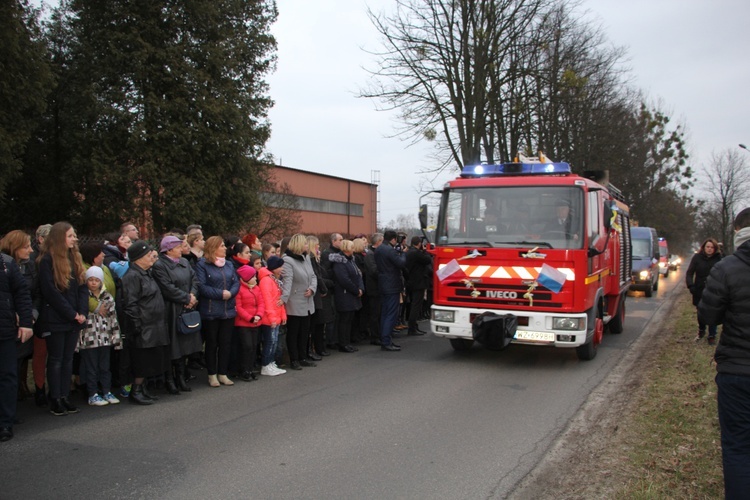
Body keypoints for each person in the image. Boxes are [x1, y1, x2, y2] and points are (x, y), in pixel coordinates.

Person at [699, 207, 750, 499]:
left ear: (737, 232)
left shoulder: (727, 268)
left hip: (737, 372)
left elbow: (709, 315)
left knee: (739, 447)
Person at [37, 222, 88, 416]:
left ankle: (65, 396)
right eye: (70, 235)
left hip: (74, 318)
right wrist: (71, 313)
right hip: (57, 318)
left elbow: (82, 287)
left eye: (74, 235)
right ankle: (55, 398)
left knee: (68, 359)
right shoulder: (47, 260)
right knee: (56, 359)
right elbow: (51, 293)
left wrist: (82, 312)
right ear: (59, 238)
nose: (74, 239)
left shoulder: (74, 258)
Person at [119, 241, 169, 405]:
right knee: (141, 361)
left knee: (149, 360)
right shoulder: (132, 276)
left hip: (154, 324)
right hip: (143, 326)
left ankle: (144, 388)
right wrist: (136, 326)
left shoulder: (147, 273)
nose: (151, 257)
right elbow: (130, 304)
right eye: (148, 255)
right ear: (138, 258)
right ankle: (136, 390)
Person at [151, 235, 201, 394]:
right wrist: (186, 297)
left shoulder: (185, 262)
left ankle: (181, 376)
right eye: (179, 247)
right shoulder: (159, 266)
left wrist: (192, 296)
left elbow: (195, 280)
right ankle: (170, 379)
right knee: (173, 345)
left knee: (185, 344)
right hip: (171, 310)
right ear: (170, 249)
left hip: (187, 308)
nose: (182, 249)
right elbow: (166, 287)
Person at [195, 236, 239, 387]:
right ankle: (212, 374)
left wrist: (231, 293)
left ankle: (223, 373)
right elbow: (202, 286)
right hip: (211, 310)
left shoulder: (228, 264)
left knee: (225, 343)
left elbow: (236, 282)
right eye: (221, 246)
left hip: (228, 310)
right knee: (212, 343)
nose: (225, 248)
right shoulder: (202, 264)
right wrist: (221, 294)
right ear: (213, 248)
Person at [0, 231, 38, 402]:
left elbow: (27, 293)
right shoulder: (8, 264)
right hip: (8, 323)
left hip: (13, 326)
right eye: (26, 246)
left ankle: (8, 416)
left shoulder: (22, 266)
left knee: (10, 371)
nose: (30, 250)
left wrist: (28, 317)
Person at [0, 248, 33, 442]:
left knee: (7, 375)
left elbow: (22, 293)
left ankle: (6, 421)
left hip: (4, 329)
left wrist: (26, 322)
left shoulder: (6, 263)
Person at [79, 266, 122, 406]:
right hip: (89, 339)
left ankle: (106, 390)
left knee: (105, 367)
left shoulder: (107, 297)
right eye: (90, 280)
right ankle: (92, 394)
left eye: (96, 280)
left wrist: (116, 338)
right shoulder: (83, 298)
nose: (93, 283)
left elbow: (113, 319)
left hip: (105, 338)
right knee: (91, 368)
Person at [280, 234, 318, 370]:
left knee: (305, 331)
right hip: (294, 300)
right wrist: (283, 299)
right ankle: (294, 359)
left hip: (307, 300)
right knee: (294, 332)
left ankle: (303, 356)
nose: (307, 246)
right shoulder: (288, 260)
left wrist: (312, 289)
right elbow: (287, 281)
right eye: (305, 244)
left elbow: (313, 276)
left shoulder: (306, 257)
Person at [374, 230, 406, 351]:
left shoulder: (379, 249)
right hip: (392, 285)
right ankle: (386, 341)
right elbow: (401, 263)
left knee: (385, 313)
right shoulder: (389, 251)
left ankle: (384, 339)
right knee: (391, 314)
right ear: (393, 239)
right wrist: (402, 253)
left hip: (383, 284)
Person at [685, 238, 722, 344]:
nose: (709, 249)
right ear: (704, 247)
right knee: (700, 312)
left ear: (715, 249)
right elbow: (689, 273)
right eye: (708, 247)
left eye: (712, 247)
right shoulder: (697, 258)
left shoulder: (719, 259)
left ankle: (712, 335)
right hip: (699, 290)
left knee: (713, 312)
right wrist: (691, 286)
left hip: (714, 290)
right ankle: (701, 330)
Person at [330, 240, 364, 353]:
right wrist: (356, 290)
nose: (354, 249)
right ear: (346, 249)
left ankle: (347, 342)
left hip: (352, 294)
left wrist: (360, 288)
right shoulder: (340, 262)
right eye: (352, 247)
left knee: (349, 319)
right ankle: (343, 343)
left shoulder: (351, 260)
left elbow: (358, 275)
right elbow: (344, 279)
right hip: (344, 294)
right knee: (344, 320)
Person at [234, 265, 265, 381]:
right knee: (246, 346)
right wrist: (250, 318)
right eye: (253, 277)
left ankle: (250, 368)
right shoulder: (239, 290)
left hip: (256, 322)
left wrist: (259, 315)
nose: (256, 279)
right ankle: (244, 369)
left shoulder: (256, 288)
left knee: (253, 346)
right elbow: (239, 307)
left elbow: (261, 303)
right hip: (244, 323)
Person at [258, 256, 287, 376]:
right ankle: (266, 364)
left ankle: (270, 362)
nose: (282, 269)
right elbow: (268, 301)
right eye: (280, 266)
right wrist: (272, 318)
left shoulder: (273, 280)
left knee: (274, 341)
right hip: (269, 318)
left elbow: (278, 300)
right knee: (270, 342)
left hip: (275, 316)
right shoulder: (266, 281)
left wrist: (283, 315)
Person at [405, 236, 432, 336]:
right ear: (419, 244)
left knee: (414, 304)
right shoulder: (416, 253)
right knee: (416, 306)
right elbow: (428, 260)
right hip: (418, 282)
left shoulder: (409, 252)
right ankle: (412, 328)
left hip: (411, 281)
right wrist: (425, 251)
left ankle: (414, 326)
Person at [321, 233, 343, 349]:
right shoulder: (327, 254)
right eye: (340, 240)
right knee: (331, 316)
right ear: (334, 241)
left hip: (338, 288)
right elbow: (325, 271)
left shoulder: (340, 253)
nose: (342, 242)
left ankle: (336, 338)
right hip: (330, 288)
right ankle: (331, 340)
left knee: (337, 315)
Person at [364, 233, 384, 345]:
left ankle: (380, 334)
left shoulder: (375, 253)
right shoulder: (370, 255)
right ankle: (374, 336)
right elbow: (373, 271)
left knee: (379, 313)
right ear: (378, 242)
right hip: (373, 289)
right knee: (375, 314)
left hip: (379, 288)